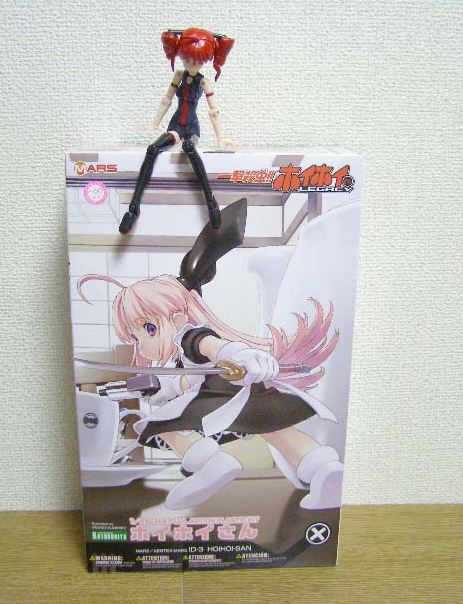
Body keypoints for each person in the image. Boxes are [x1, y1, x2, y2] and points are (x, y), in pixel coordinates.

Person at [78, 273, 344, 511]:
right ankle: (324, 470)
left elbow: (216, 348)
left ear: (179, 318)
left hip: (222, 396)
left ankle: (210, 466)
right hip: (249, 397)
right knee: (277, 430)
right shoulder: (182, 355)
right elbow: (185, 381)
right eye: (136, 338)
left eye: (149, 329)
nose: (142, 344)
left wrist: (242, 356)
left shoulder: (191, 337)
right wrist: (159, 388)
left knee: (163, 426)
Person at [119, 28, 234, 234]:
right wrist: (155, 124)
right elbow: (167, 100)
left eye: (198, 61)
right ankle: (133, 209)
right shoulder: (179, 75)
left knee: (189, 148)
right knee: (153, 149)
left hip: (191, 128)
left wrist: (220, 137)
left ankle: (211, 204)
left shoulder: (203, 82)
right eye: (188, 59)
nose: (192, 64)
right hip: (176, 126)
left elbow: (213, 111)